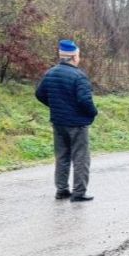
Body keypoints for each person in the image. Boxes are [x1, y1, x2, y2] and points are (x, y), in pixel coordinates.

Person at [35, 40, 98, 202]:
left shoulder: (50, 73)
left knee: (62, 156)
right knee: (81, 157)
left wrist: (55, 106)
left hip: (58, 122)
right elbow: (85, 100)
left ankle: (62, 190)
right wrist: (93, 113)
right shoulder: (79, 76)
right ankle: (79, 192)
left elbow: (39, 94)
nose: (79, 58)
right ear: (73, 57)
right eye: (78, 55)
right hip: (77, 123)